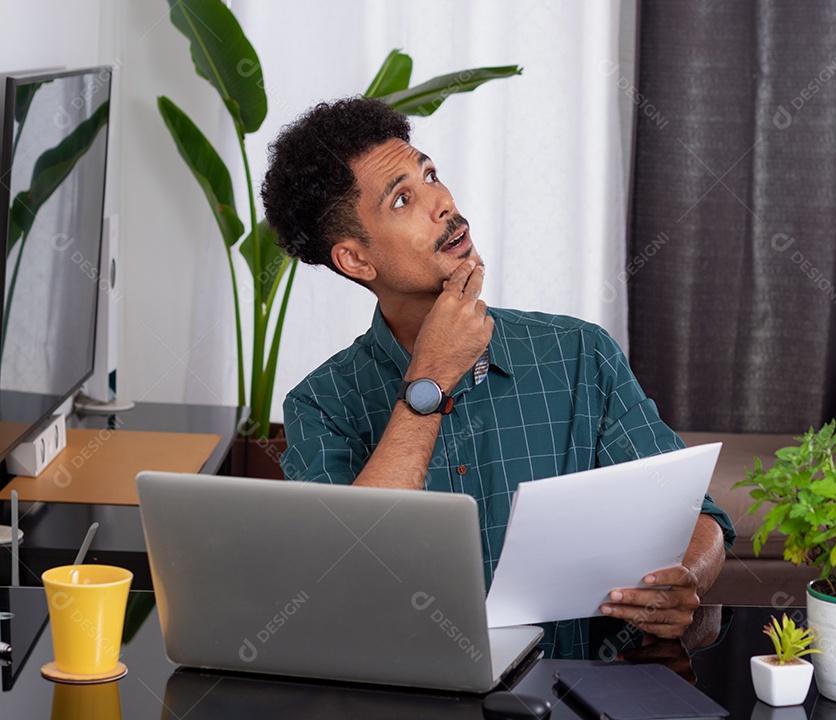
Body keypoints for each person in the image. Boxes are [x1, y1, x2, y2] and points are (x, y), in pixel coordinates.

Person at [261, 97, 735, 660]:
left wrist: (685, 578)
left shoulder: (580, 353)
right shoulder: (321, 405)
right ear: (357, 260)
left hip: (569, 693)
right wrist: (430, 380)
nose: (443, 203)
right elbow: (346, 580)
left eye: (431, 174)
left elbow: (698, 518)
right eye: (403, 198)